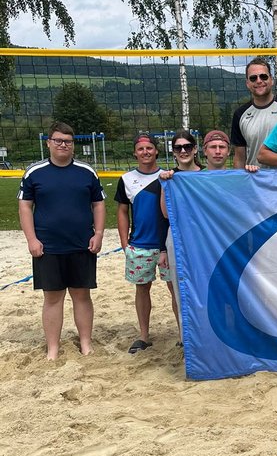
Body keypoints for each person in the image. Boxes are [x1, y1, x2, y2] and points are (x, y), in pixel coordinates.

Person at [18, 122, 105, 360]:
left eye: (67, 141)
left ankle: (85, 343)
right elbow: (25, 207)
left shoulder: (87, 171)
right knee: (53, 298)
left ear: (73, 145)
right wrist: (31, 239)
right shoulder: (34, 172)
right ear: (48, 143)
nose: (63, 145)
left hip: (82, 244)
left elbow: (98, 204)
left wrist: (98, 234)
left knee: (82, 295)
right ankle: (53, 349)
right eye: (58, 140)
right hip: (47, 246)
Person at [115, 132, 171, 353]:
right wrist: (124, 242)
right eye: (141, 149)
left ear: (156, 151)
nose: (145, 152)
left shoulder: (168, 176)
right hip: (140, 244)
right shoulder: (127, 179)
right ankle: (144, 336)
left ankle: (183, 336)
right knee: (142, 288)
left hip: (167, 244)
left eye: (149, 148)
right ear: (135, 153)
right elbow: (122, 211)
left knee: (175, 289)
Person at [159, 130, 202, 343]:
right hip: (178, 237)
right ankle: (188, 342)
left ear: (195, 149)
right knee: (181, 289)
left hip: (204, 238)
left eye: (187, 146)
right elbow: (165, 214)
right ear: (173, 152)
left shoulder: (207, 174)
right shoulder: (169, 178)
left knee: (204, 286)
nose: (183, 151)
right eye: (178, 148)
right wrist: (165, 185)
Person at [230, 57, 277, 169]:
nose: (259, 81)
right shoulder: (240, 114)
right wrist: (240, 178)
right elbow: (239, 158)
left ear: (271, 80)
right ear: (247, 83)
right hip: (255, 177)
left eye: (263, 76)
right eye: (253, 78)